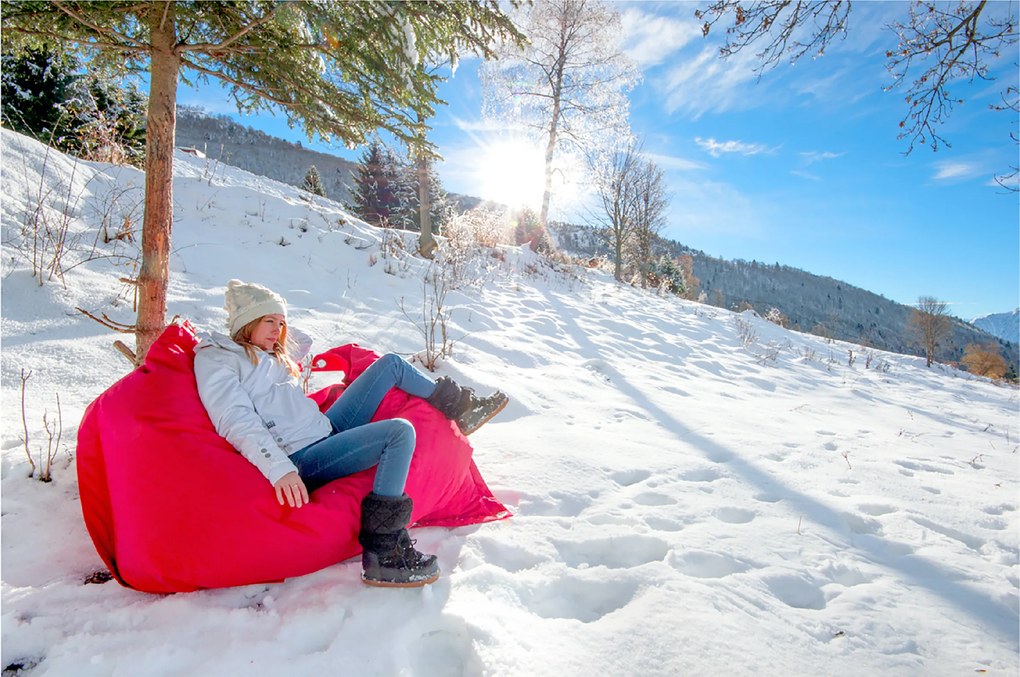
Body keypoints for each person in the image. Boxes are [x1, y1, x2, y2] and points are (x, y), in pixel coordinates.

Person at [193, 280, 508, 588]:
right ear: (247, 322)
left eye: (281, 322)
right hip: (300, 458)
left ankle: (462, 408)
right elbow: (235, 420)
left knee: (390, 365)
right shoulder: (218, 358)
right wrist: (280, 470)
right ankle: (383, 553)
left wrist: (266, 321)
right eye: (269, 321)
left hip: (324, 430)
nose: (279, 330)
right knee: (398, 433)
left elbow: (299, 342)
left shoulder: (268, 353)